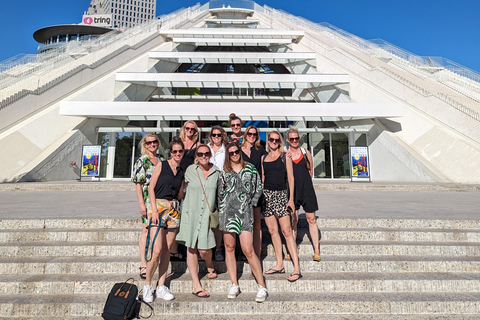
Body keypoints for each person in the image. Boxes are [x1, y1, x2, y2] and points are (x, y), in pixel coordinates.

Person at [218, 142, 268, 302]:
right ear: (228, 155)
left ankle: (262, 286)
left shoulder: (250, 168)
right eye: (231, 152)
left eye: (236, 151)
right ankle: (234, 283)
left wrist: (251, 203)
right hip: (228, 213)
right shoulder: (224, 171)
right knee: (229, 247)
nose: (234, 154)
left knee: (248, 249)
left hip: (245, 213)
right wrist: (222, 208)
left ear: (240, 151)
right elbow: (220, 192)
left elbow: (258, 187)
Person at [142, 138, 185, 302]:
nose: (177, 154)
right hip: (158, 207)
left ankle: (161, 286)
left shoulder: (181, 171)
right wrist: (152, 210)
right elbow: (151, 187)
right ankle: (147, 285)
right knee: (157, 250)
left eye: (180, 151)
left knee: (167, 249)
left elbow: (180, 194)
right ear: (170, 152)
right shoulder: (162, 165)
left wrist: (185, 186)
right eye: (174, 151)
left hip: (174, 209)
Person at [176, 144, 220, 298]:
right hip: (191, 214)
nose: (203, 156)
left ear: (210, 154)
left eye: (206, 153)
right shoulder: (190, 171)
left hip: (206, 216)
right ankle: (196, 285)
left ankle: (209, 264)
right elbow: (182, 190)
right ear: (196, 155)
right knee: (191, 248)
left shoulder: (217, 173)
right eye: (200, 154)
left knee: (204, 250)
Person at [261, 131, 302, 282]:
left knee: (286, 231)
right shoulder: (263, 157)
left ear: (279, 142)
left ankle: (296, 268)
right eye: (271, 139)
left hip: (281, 195)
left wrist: (290, 199)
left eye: (276, 140)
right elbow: (264, 177)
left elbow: (291, 178)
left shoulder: (285, 156)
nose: (273, 142)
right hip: (267, 196)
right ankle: (279, 264)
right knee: (272, 231)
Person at [286, 126, 321, 262]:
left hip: (307, 189)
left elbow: (310, 171)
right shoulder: (286, 155)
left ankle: (317, 251)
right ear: (288, 140)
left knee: (311, 219)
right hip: (293, 191)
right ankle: (291, 250)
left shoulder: (306, 153)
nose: (295, 140)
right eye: (292, 139)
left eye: (297, 138)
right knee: (293, 221)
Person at [131, 132, 160, 280]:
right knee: (145, 230)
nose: (152, 144)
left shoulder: (160, 160)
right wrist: (141, 204)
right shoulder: (142, 161)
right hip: (148, 200)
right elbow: (138, 184)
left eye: (154, 142)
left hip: (159, 200)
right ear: (145, 145)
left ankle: (153, 259)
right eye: (148, 143)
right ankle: (143, 263)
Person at [241, 125, 267, 259]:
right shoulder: (238, 151)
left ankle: (256, 254)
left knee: (257, 224)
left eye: (254, 134)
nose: (252, 136)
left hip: (256, 191)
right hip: (242, 192)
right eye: (249, 134)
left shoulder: (260, 150)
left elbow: (264, 168)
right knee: (244, 223)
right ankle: (245, 251)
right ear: (245, 135)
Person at [207, 125, 228, 261]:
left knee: (220, 218)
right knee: (206, 217)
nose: (216, 137)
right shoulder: (205, 149)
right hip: (207, 185)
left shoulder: (225, 150)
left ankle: (219, 248)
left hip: (222, 186)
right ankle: (206, 247)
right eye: (214, 135)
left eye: (218, 135)